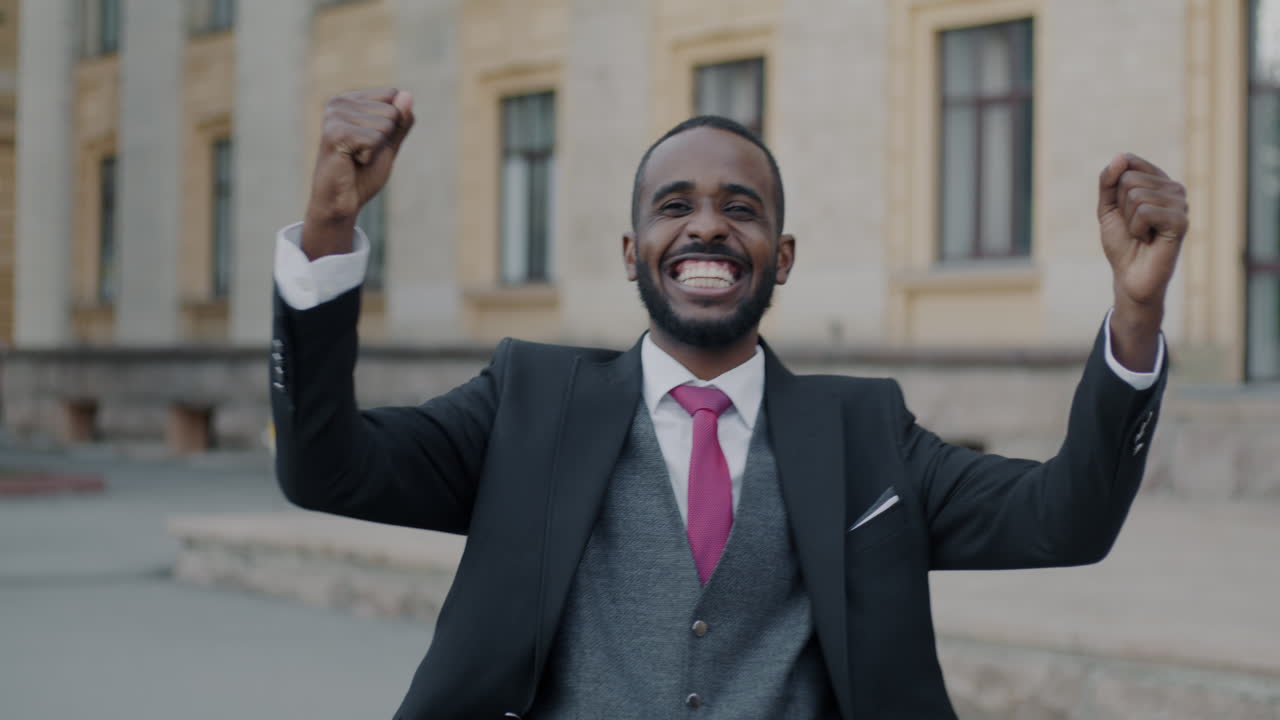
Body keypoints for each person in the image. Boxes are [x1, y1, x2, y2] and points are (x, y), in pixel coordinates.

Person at [270, 88, 1186, 719]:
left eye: (740, 208)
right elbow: (327, 469)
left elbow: (1064, 522)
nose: (707, 224)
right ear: (632, 251)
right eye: (675, 206)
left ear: (781, 258)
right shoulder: (526, 401)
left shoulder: (865, 432)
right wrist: (328, 233)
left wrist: (1136, 316)